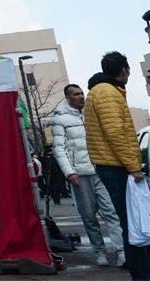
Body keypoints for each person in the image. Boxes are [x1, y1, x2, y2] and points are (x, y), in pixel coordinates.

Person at [86, 51, 148, 279]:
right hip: (116, 166)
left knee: (133, 222)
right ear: (124, 70)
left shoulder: (102, 90)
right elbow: (116, 133)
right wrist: (134, 166)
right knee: (134, 224)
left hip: (113, 164)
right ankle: (143, 274)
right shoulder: (107, 92)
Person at [51, 83, 123, 266]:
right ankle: (100, 252)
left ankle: (121, 251)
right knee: (89, 215)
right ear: (68, 98)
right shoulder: (60, 119)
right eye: (76, 94)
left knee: (111, 212)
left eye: (82, 93)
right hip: (80, 174)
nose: (81, 96)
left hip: (100, 169)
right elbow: (59, 149)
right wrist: (70, 172)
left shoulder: (92, 113)